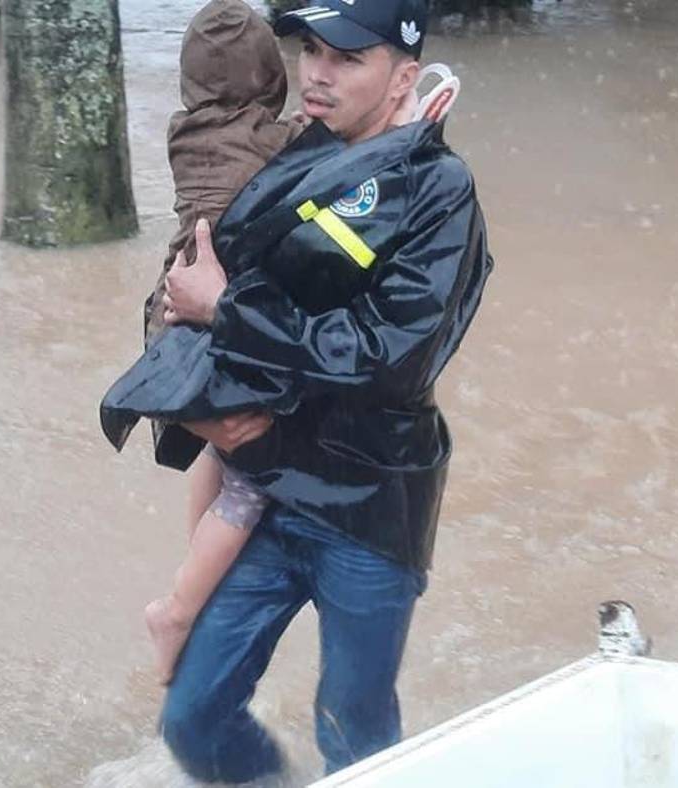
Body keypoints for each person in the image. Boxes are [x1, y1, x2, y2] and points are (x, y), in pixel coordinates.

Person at [151, 0, 493, 780]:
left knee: (354, 732)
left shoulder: (439, 192)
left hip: (370, 508)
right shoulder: (296, 156)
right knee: (193, 717)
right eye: (309, 51)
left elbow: (391, 358)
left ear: (405, 75)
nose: (317, 73)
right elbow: (211, 274)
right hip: (269, 486)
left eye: (346, 58)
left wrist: (227, 309)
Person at [138, 0, 309, 686]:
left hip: (170, 306)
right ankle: (177, 609)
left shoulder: (186, 133)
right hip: (218, 316)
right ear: (270, 78)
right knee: (251, 477)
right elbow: (321, 146)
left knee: (217, 441)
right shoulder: (274, 143)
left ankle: (195, 562)